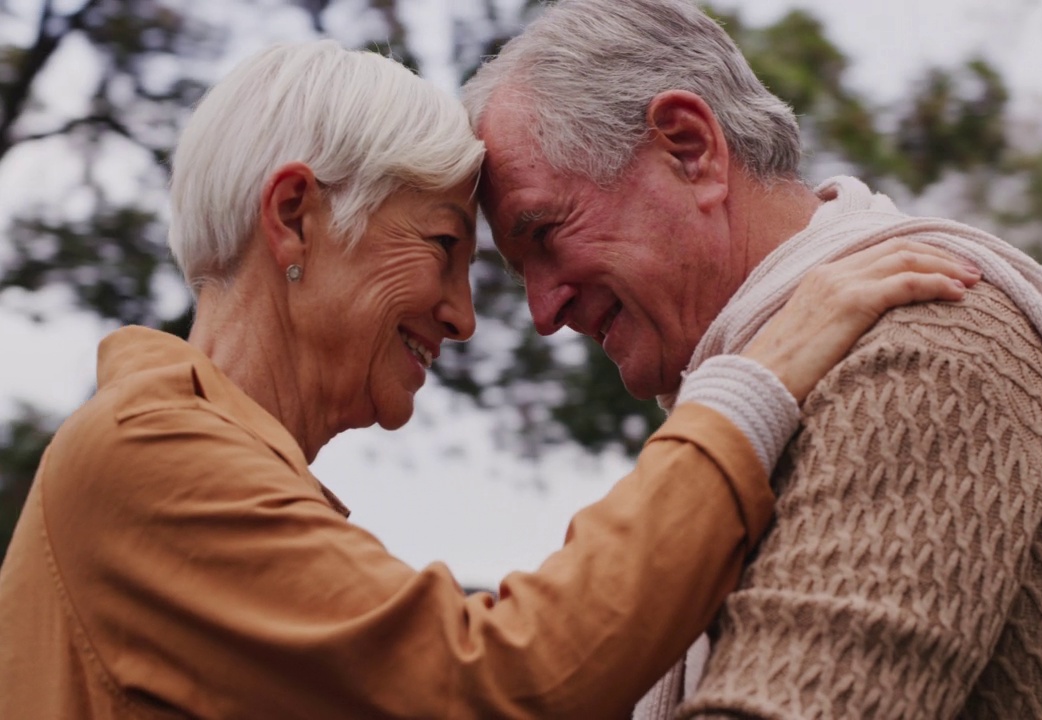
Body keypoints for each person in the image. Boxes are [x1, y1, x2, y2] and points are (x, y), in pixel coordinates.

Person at [0, 41, 981, 719]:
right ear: (293, 217)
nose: (466, 317)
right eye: (441, 248)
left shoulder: (187, 466)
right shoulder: (149, 459)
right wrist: (748, 389)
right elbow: (497, 685)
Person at [461, 1, 1042, 718]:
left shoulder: (925, 355)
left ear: (690, 149)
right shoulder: (787, 374)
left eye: (545, 233)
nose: (542, 310)